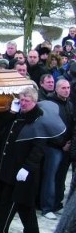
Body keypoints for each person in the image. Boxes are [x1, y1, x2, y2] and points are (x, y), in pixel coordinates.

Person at [0, 87, 65, 233]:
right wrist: (12, 114)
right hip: (11, 167)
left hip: (23, 170)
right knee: (25, 204)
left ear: (34, 102)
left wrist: (27, 167)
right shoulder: (18, 116)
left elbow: (38, 148)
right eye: (21, 100)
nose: (23, 103)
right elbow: (3, 131)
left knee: (9, 201)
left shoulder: (39, 120)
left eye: (26, 101)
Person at [40, 79, 73, 220]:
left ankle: (56, 204)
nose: (66, 90)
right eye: (63, 88)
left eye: (68, 87)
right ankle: (47, 207)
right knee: (50, 178)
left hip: (67, 146)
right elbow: (49, 127)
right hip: (53, 146)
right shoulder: (50, 104)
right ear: (57, 89)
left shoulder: (70, 104)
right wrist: (61, 144)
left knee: (61, 177)